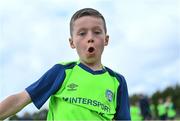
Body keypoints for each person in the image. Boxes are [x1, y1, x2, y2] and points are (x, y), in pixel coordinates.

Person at [0, 8, 131, 120]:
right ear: (72, 42)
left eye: (97, 32)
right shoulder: (61, 72)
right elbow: (20, 99)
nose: (90, 38)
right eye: (82, 33)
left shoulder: (117, 82)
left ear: (106, 39)